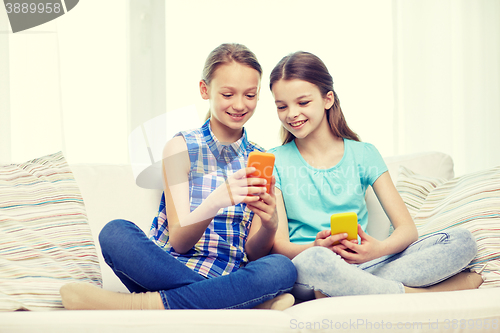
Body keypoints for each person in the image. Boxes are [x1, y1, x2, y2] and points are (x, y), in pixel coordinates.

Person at [59, 43, 296, 310]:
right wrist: (216, 200)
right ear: (205, 90)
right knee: (115, 233)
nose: (239, 105)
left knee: (281, 267)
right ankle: (236, 302)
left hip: (227, 275)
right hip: (167, 269)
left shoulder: (261, 159)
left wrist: (269, 224)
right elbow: (180, 242)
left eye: (250, 95)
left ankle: (148, 305)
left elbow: (254, 253)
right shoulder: (181, 148)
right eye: (228, 94)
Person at [267, 51, 483, 301]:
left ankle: (345, 290)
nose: (291, 114)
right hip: (311, 266)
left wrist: (376, 249)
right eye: (281, 106)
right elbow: (279, 244)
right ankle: (415, 294)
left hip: (364, 264)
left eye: (303, 103)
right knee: (319, 260)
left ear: (328, 99)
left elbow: (407, 230)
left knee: (461, 240)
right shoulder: (276, 161)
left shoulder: (364, 154)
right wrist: (315, 247)